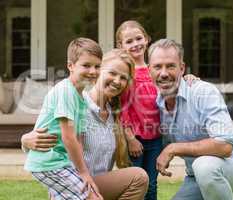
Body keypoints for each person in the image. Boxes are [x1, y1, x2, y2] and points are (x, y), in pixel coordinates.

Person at [22, 47, 149, 200]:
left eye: (123, 77)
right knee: (138, 176)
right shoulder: (77, 104)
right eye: (112, 73)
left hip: (97, 185)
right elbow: (53, 134)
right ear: (98, 72)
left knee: (138, 177)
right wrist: (25, 141)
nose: (117, 81)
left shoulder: (117, 114)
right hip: (77, 184)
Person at [147, 39, 233, 200]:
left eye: (170, 66)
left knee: (204, 166)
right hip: (195, 178)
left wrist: (173, 148)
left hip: (232, 169)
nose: (163, 73)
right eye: (157, 67)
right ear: (149, 71)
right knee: (200, 168)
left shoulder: (203, 92)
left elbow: (224, 145)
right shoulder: (154, 103)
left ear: (182, 68)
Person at [115, 20, 198, 200]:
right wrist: (130, 139)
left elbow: (173, 85)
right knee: (134, 183)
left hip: (156, 139)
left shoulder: (156, 69)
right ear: (120, 45)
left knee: (151, 185)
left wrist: (188, 77)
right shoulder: (124, 73)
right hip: (134, 139)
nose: (135, 44)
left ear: (146, 39)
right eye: (129, 41)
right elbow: (121, 110)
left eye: (139, 38)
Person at [24, 37, 103, 200]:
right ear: (70, 66)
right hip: (49, 162)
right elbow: (69, 137)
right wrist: (83, 173)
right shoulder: (66, 91)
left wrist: (80, 168)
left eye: (97, 66)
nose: (93, 71)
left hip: (60, 162)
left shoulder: (80, 96)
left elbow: (79, 138)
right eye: (86, 65)